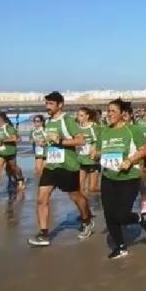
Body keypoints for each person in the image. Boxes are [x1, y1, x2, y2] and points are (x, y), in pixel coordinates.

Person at [28, 91, 95, 247]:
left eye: (51, 104)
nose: (48, 107)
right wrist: (44, 143)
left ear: (60, 105)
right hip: (51, 165)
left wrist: (60, 141)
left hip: (68, 165)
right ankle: (44, 234)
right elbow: (51, 141)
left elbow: (80, 140)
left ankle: (86, 220)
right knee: (41, 198)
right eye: (46, 104)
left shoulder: (67, 120)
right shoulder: (49, 122)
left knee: (75, 196)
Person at [95, 98, 146, 259]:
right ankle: (121, 247)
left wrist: (130, 161)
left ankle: (141, 219)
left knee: (121, 215)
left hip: (129, 177)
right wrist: (95, 154)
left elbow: (144, 149)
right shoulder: (105, 131)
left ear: (122, 113)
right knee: (109, 214)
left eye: (113, 111)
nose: (110, 114)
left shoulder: (132, 130)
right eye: (108, 111)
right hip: (108, 176)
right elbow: (98, 150)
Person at [0, 112, 26, 197]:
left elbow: (16, 138)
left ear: (1, 119)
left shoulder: (9, 128)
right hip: (0, 152)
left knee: (13, 168)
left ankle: (20, 179)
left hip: (10, 151)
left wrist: (3, 141)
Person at [76, 107, 102, 195]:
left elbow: (99, 140)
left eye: (81, 116)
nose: (79, 117)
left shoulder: (93, 127)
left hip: (92, 160)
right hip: (81, 160)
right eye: (78, 115)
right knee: (79, 186)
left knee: (92, 188)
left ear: (87, 116)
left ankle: (107, 189)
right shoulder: (76, 127)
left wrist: (94, 148)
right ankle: (84, 206)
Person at [31, 115, 48, 180]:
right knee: (38, 169)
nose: (36, 123)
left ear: (42, 122)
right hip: (38, 152)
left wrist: (44, 142)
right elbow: (31, 139)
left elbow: (50, 139)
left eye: (38, 121)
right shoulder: (33, 131)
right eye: (34, 121)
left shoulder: (45, 130)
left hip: (46, 152)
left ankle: (43, 184)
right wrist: (34, 141)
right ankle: (40, 184)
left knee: (43, 170)